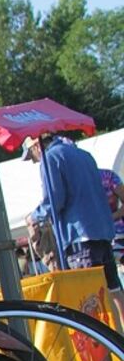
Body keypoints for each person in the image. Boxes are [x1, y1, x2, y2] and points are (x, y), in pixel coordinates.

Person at [24, 133, 124, 330]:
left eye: (31, 155)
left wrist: (34, 217)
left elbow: (54, 199)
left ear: (36, 145)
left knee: (88, 298)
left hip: (79, 238)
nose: (34, 161)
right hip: (102, 234)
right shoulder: (84, 155)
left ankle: (100, 351)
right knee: (115, 293)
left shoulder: (50, 158)